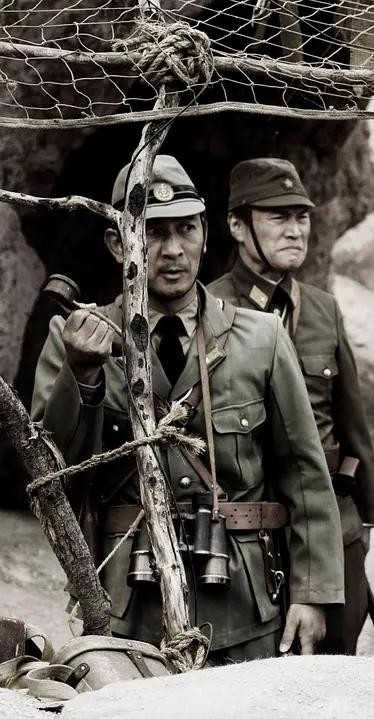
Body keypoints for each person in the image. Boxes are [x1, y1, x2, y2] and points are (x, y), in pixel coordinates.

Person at [32, 155, 344, 664]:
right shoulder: (74, 340)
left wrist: (312, 592)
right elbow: (56, 478)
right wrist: (82, 375)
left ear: (205, 232)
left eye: (186, 228)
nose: (173, 250)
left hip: (243, 604)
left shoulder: (262, 338)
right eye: (153, 232)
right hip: (129, 609)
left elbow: (304, 473)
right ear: (118, 243)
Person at [207, 158, 374, 655]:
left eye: (301, 216)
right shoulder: (209, 310)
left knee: (338, 658)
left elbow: (351, 419)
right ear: (237, 226)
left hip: (332, 521)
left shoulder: (323, 308)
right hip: (250, 529)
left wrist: (362, 522)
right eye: (278, 216)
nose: (295, 230)